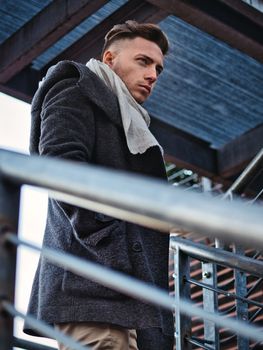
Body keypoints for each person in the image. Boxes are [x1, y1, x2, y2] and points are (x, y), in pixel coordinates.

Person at [24, 20, 174, 349]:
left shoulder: (130, 122)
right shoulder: (76, 89)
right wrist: (114, 249)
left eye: (159, 69)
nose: (153, 75)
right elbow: (60, 168)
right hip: (92, 288)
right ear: (109, 58)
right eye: (143, 61)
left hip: (127, 299)